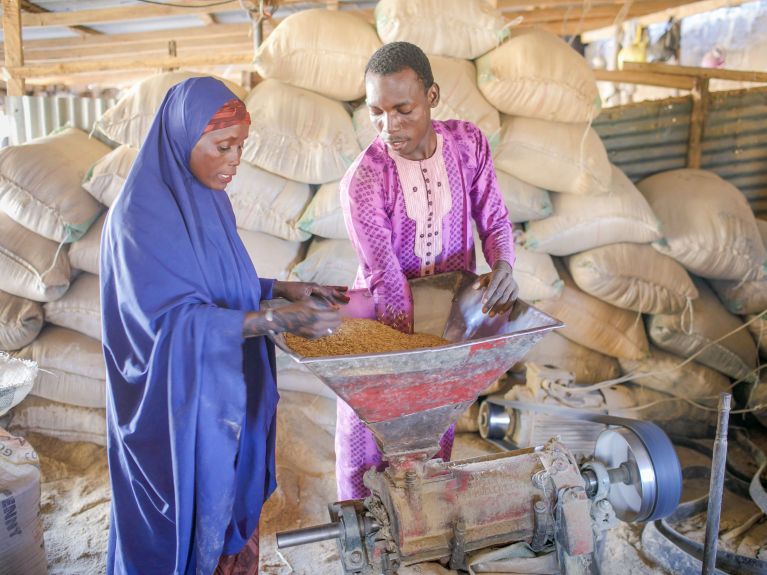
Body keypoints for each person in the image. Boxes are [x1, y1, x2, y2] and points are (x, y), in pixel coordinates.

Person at [100, 76, 347, 574]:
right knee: (185, 526)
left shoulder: (208, 199)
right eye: (223, 146)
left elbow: (214, 283)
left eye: (241, 147)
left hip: (223, 393)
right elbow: (169, 323)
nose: (235, 160)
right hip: (174, 413)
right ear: (181, 137)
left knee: (232, 512)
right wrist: (272, 320)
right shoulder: (137, 221)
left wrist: (279, 289)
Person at [337, 42, 518, 500]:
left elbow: (494, 219)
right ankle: (364, 543)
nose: (388, 126)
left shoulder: (468, 143)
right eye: (376, 112)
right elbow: (386, 279)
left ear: (432, 96)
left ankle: (427, 530)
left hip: (448, 322)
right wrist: (416, 357)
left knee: (435, 428)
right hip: (384, 325)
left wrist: (503, 264)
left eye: (403, 109)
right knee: (371, 438)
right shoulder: (365, 179)